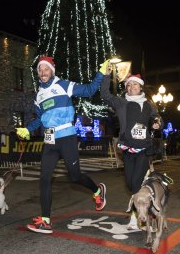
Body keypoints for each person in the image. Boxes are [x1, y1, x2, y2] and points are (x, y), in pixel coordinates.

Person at [16, 56, 109, 234]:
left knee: (75, 177)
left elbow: (89, 91)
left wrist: (100, 74)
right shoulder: (39, 96)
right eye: (40, 70)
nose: (43, 72)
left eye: (46, 69)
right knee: (44, 179)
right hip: (49, 141)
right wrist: (28, 130)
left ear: (52, 70)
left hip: (67, 137)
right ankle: (45, 221)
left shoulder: (64, 85)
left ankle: (97, 191)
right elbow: (40, 119)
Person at [101, 72, 162, 230]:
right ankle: (145, 204)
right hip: (127, 148)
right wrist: (106, 76)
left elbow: (157, 118)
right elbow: (105, 95)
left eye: (135, 84)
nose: (131, 87)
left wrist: (157, 123)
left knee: (135, 182)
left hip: (143, 148)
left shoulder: (148, 104)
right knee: (129, 184)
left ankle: (137, 217)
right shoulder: (121, 102)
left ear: (140, 86)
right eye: (128, 85)